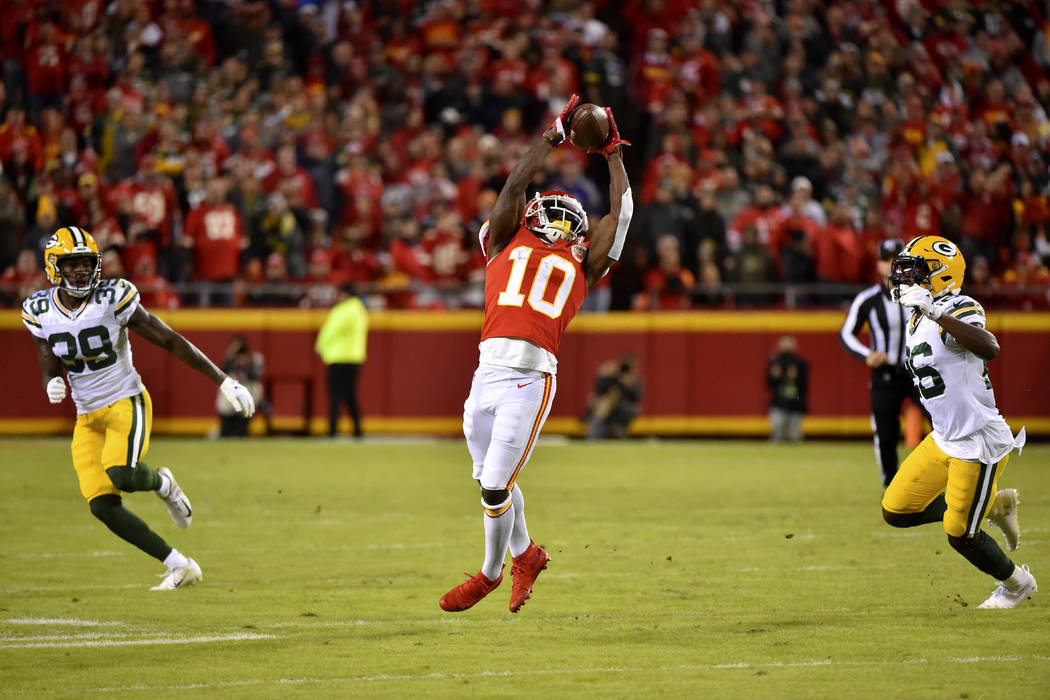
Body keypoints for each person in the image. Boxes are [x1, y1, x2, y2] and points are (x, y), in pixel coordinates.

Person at [439, 95, 632, 613]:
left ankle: (489, 573)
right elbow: (512, 187)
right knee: (489, 480)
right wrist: (550, 136)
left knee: (496, 486)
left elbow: (621, 214)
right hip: (486, 374)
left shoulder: (582, 264)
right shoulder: (503, 238)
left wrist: (612, 151)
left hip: (529, 377)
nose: (560, 217)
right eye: (550, 207)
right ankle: (527, 554)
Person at [21, 226, 255, 590]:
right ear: (54, 267)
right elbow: (46, 351)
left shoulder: (113, 297)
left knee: (122, 474)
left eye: (86, 263)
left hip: (125, 401)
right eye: (73, 265)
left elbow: (169, 339)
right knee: (102, 507)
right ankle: (180, 565)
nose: (82, 271)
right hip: (88, 416)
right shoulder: (39, 310)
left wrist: (223, 380)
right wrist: (50, 379)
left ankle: (163, 483)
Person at [883, 235, 1034, 609]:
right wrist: (928, 311)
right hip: (945, 437)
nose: (905, 277)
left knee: (960, 533)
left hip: (977, 439)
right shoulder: (918, 315)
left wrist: (936, 313)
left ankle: (1017, 583)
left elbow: (989, 347)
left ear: (941, 275)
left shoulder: (957, 305)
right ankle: (992, 506)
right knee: (896, 509)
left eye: (916, 270)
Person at [840, 239, 926, 487]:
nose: (891, 265)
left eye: (896, 259)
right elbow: (846, 334)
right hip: (885, 373)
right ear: (878, 264)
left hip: (918, 370)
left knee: (941, 424)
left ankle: (947, 480)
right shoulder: (868, 299)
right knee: (886, 434)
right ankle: (891, 486)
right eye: (886, 259)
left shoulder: (920, 294)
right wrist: (867, 354)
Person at [315, 285, 368, 437]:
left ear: (344, 295)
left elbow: (330, 331)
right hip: (355, 358)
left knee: (335, 397)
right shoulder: (360, 310)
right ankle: (358, 431)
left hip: (338, 357)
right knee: (351, 396)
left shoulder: (342, 310)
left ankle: (332, 431)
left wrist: (320, 347)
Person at [584, 352, 643, 439]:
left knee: (607, 409)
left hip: (622, 410)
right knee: (603, 406)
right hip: (606, 410)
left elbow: (636, 397)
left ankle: (616, 430)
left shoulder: (635, 380)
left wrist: (629, 385)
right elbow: (599, 390)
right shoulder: (612, 376)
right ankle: (594, 436)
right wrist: (605, 375)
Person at [216, 335, 265, 437]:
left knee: (242, 427)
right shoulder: (230, 359)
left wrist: (246, 364)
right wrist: (231, 357)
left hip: (247, 393)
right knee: (226, 427)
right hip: (229, 396)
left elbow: (255, 376)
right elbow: (222, 372)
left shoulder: (254, 358)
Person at [766, 334, 808, 442]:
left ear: (795, 345)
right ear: (779, 344)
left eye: (789, 342)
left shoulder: (800, 363)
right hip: (778, 404)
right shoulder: (775, 362)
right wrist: (774, 376)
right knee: (777, 435)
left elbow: (804, 387)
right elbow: (768, 384)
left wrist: (795, 378)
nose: (787, 345)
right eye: (784, 342)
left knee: (794, 436)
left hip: (795, 404)